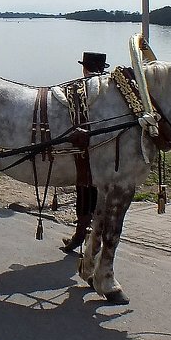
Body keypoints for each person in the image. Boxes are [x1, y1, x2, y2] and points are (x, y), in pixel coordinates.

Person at [60, 51, 109, 253]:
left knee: (84, 192)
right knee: (92, 194)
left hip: (86, 149)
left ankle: (81, 235)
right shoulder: (106, 87)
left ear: (85, 67)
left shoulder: (82, 88)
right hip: (102, 149)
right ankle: (83, 235)